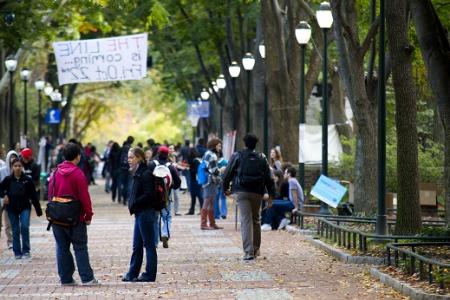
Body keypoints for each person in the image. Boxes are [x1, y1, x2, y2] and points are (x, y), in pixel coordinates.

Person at [48, 142, 99, 286]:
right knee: (80, 247)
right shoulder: (78, 174)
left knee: (62, 247)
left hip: (57, 218)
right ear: (77, 156)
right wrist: (88, 216)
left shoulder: (55, 172)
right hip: (76, 218)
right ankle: (87, 278)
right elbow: (84, 197)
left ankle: (66, 278)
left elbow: (50, 194)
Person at [222, 134, 274, 261]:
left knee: (246, 220)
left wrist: (225, 189)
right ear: (255, 144)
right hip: (257, 191)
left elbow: (227, 173)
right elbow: (269, 178)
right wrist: (271, 195)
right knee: (256, 219)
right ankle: (256, 249)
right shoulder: (262, 157)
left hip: (242, 191)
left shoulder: (237, 155)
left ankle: (248, 252)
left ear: (244, 143)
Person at [122, 147, 159, 282]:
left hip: (146, 213)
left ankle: (150, 274)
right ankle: (132, 273)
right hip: (140, 213)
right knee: (137, 245)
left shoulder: (146, 173)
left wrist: (136, 203)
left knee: (149, 245)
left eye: (131, 157)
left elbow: (149, 195)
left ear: (139, 158)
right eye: (128, 157)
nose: (129, 160)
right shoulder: (138, 172)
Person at [0, 158, 42, 259]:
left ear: (22, 167)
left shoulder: (27, 180)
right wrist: (4, 195)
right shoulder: (8, 180)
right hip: (11, 208)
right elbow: (0, 189)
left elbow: (33, 196)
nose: (17, 168)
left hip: (25, 207)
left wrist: (38, 210)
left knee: (24, 227)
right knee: (15, 229)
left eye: (19, 166)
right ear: (12, 168)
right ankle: (17, 251)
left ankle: (26, 250)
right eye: (15, 166)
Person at [148, 146, 180, 248]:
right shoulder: (170, 166)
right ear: (167, 155)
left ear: (158, 153)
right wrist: (171, 187)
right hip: (166, 194)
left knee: (156, 216)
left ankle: (155, 241)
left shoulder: (151, 164)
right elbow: (178, 182)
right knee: (167, 216)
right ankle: (165, 234)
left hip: (153, 195)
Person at [262, 166, 304, 231]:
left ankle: (267, 224)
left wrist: (296, 207)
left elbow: (294, 194)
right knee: (271, 202)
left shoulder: (292, 181)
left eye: (285, 173)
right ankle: (282, 220)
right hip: (291, 202)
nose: (284, 174)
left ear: (289, 174)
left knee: (272, 204)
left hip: (293, 204)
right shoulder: (292, 180)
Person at [200, 138, 224, 230]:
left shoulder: (207, 153)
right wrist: (221, 170)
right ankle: (204, 224)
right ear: (214, 146)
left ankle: (211, 223)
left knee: (210, 202)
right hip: (211, 181)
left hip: (206, 181)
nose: (220, 147)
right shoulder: (213, 155)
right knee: (207, 201)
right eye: (219, 145)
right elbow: (214, 171)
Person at [0, 150, 18, 250]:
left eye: (14, 157)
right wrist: (4, 195)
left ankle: (14, 240)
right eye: (11, 157)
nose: (12, 159)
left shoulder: (19, 170)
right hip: (5, 201)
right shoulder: (2, 171)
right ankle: (10, 241)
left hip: (17, 201)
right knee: (7, 223)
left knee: (15, 222)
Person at [185, 148, 203, 215]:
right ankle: (193, 209)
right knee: (195, 195)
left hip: (195, 180)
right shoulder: (197, 160)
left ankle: (200, 209)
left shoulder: (195, 161)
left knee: (198, 195)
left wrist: (189, 169)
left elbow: (195, 170)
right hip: (197, 180)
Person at [214, 152, 228, 219]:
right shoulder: (226, 162)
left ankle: (216, 214)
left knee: (216, 198)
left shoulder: (215, 162)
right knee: (223, 198)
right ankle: (224, 213)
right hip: (223, 181)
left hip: (216, 182)